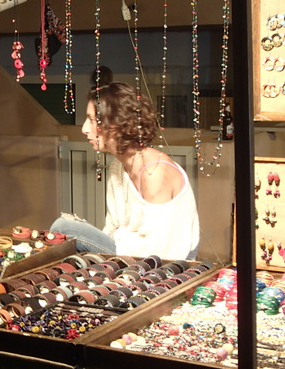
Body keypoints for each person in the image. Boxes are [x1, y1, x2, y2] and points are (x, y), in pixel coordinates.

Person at [50, 82, 200, 260]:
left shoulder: (154, 173)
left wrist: (117, 239)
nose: (84, 129)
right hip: (129, 252)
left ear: (117, 124)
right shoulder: (118, 167)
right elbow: (112, 228)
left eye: (92, 120)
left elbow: (160, 252)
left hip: (164, 264)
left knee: (64, 227)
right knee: (62, 236)